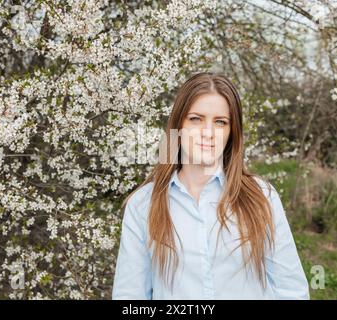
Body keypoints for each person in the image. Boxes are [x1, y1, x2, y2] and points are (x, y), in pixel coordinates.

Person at [112, 72, 310, 299]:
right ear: (178, 125)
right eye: (196, 119)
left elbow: (291, 290)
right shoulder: (143, 204)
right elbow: (130, 297)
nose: (208, 132)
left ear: (231, 132)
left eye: (220, 122)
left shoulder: (262, 197)